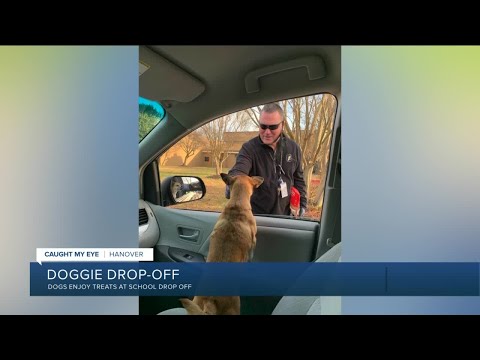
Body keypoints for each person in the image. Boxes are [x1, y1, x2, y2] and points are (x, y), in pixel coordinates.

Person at [227, 103, 307, 216]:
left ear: (282, 125)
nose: (267, 132)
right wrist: (233, 181)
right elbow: (239, 170)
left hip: (285, 216)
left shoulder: (293, 148)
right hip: (257, 219)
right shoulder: (249, 149)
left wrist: (303, 205)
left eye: (273, 127)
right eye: (263, 126)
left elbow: (298, 179)